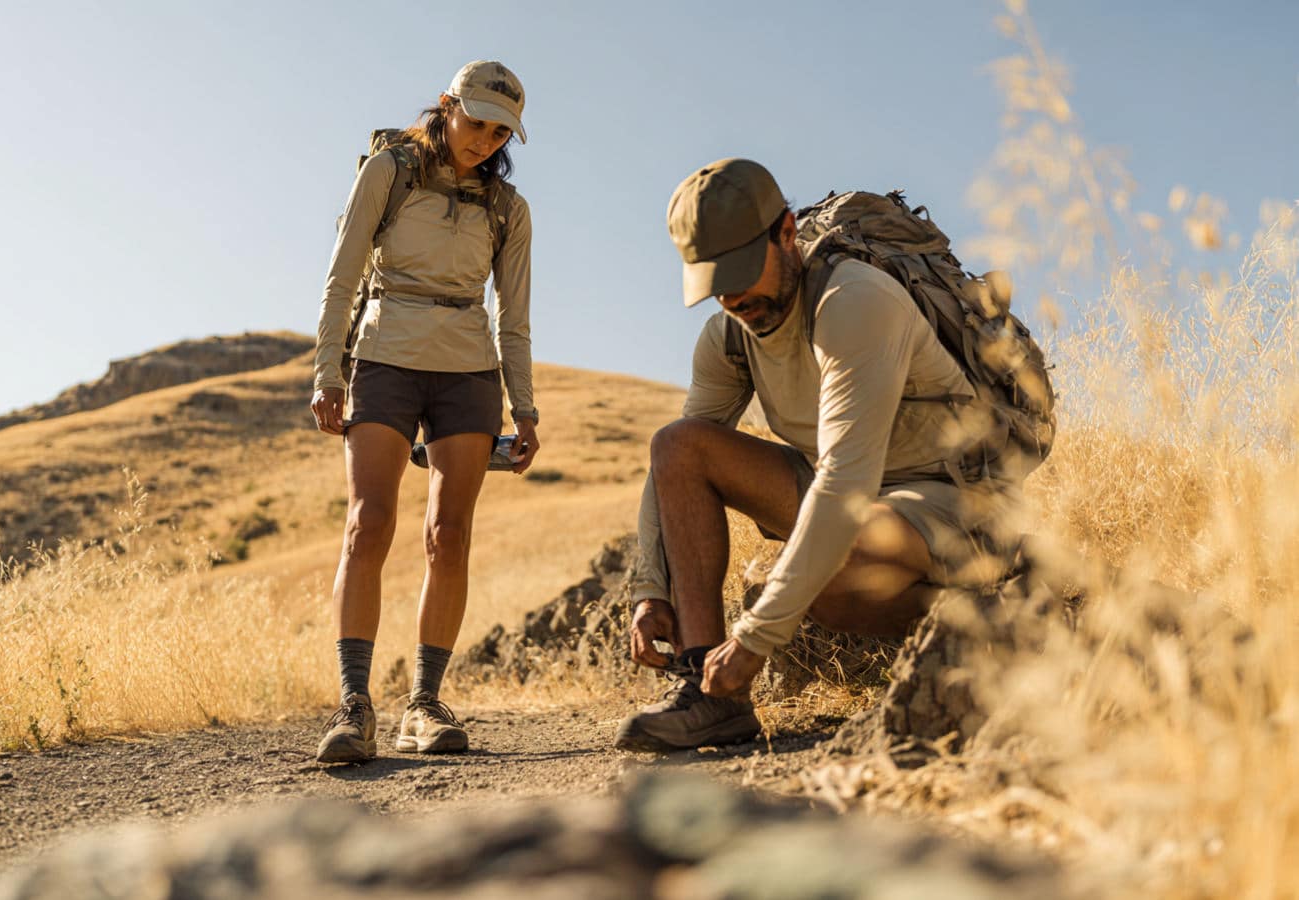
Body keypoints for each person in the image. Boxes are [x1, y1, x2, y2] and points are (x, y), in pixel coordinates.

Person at [615, 159, 1024, 752]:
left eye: (740, 273)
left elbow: (844, 484)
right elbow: (674, 466)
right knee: (678, 444)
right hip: (855, 498)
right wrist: (650, 591)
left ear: (786, 232)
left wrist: (755, 637)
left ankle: (1005, 618)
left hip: (950, 496)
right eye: (714, 284)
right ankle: (710, 697)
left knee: (830, 571)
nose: (733, 297)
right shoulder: (728, 338)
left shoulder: (854, 301)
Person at [311, 60, 539, 764]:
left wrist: (525, 409)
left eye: (501, 133)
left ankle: (423, 704)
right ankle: (354, 706)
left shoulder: (509, 209)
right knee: (368, 522)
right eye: (478, 123)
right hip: (384, 357)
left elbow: (515, 320)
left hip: (468, 372)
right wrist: (327, 373)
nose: (486, 140)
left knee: (450, 536)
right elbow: (342, 277)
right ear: (447, 105)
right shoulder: (389, 171)